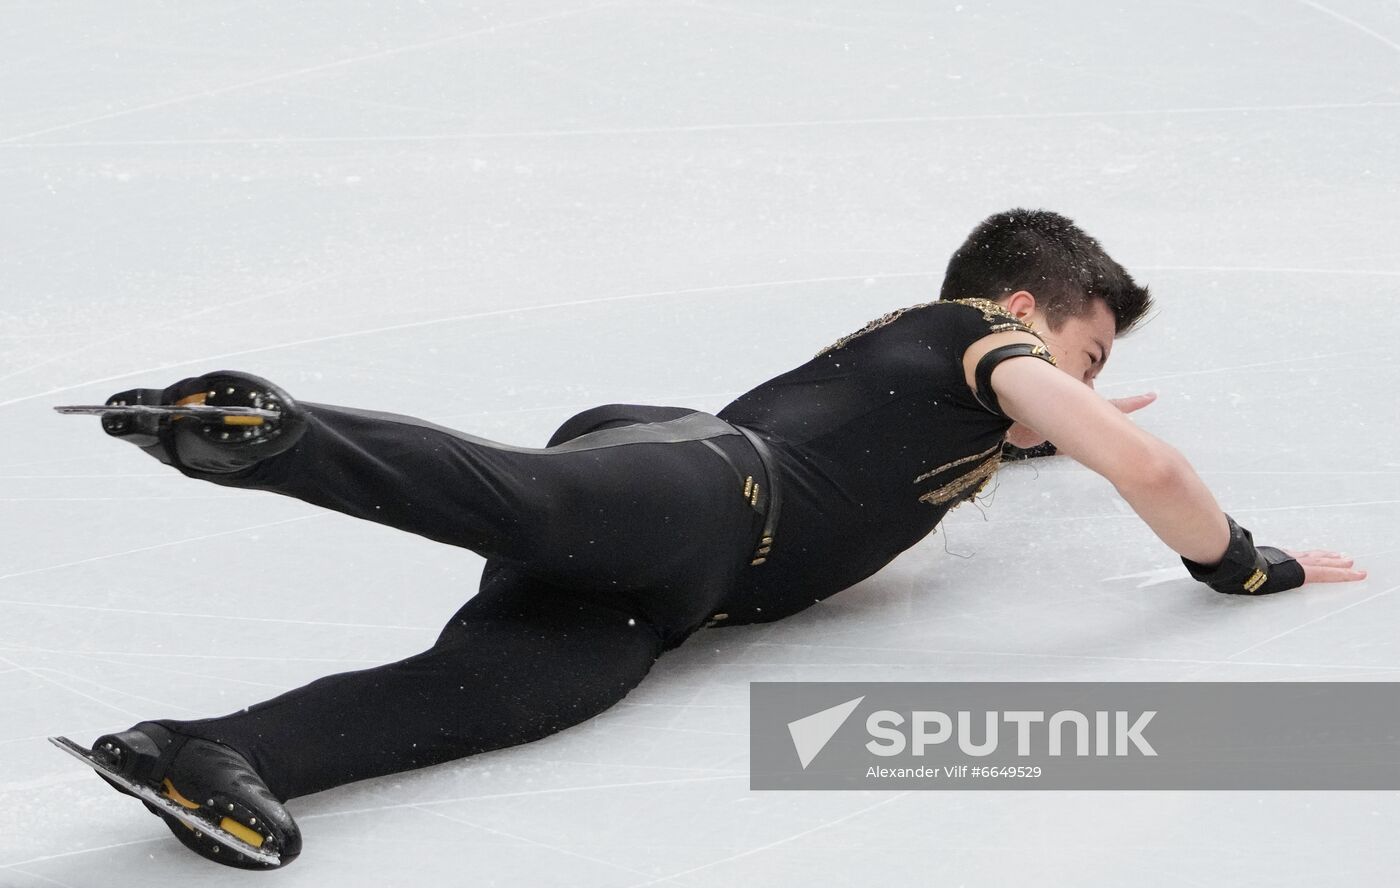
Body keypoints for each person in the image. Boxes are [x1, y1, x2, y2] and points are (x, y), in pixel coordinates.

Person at [73, 209, 1366, 869]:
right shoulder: (978, 333)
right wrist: (1247, 564)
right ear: (1026, 309)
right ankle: (258, 428)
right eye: (1084, 354)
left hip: (669, 598)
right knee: (520, 499)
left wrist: (1053, 425)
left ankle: (213, 753)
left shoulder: (966, 388)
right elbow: (1147, 468)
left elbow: (1002, 434)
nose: (1073, 385)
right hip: (704, 488)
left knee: (488, 696)